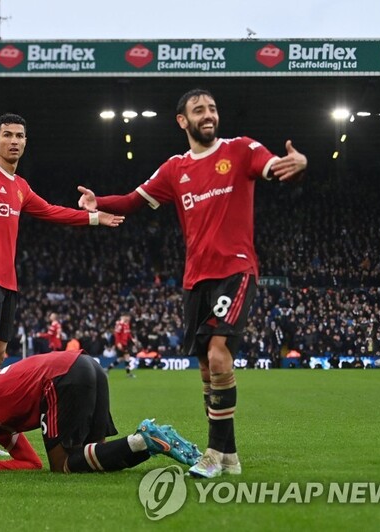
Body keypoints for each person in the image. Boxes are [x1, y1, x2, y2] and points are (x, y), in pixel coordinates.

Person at [77, 88, 307, 479]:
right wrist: (99, 202)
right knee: (206, 367)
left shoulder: (240, 149)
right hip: (195, 278)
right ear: (182, 121)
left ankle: (214, 454)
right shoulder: (174, 169)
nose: (208, 115)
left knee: (219, 355)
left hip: (235, 269)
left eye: (212, 108)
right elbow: (136, 199)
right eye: (198, 110)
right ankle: (230, 455)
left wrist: (294, 163)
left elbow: (271, 166)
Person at [0, 113, 124, 388]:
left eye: (19, 136)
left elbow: (50, 211)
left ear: (25, 142)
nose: (14, 141)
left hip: (8, 281)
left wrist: (94, 218)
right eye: (7, 135)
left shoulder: (20, 186)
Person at [0, 350, 201, 474]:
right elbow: (31, 464)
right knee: (95, 460)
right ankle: (148, 441)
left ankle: (145, 440)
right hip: (86, 366)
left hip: (60, 378)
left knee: (63, 465)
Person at [109, 313, 136, 377]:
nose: (129, 318)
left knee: (121, 359)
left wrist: (132, 339)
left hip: (125, 343)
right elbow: (116, 334)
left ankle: (107, 369)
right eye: (127, 317)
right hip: (121, 344)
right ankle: (128, 374)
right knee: (127, 357)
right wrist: (118, 343)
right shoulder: (120, 324)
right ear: (124, 317)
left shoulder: (127, 324)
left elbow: (128, 333)